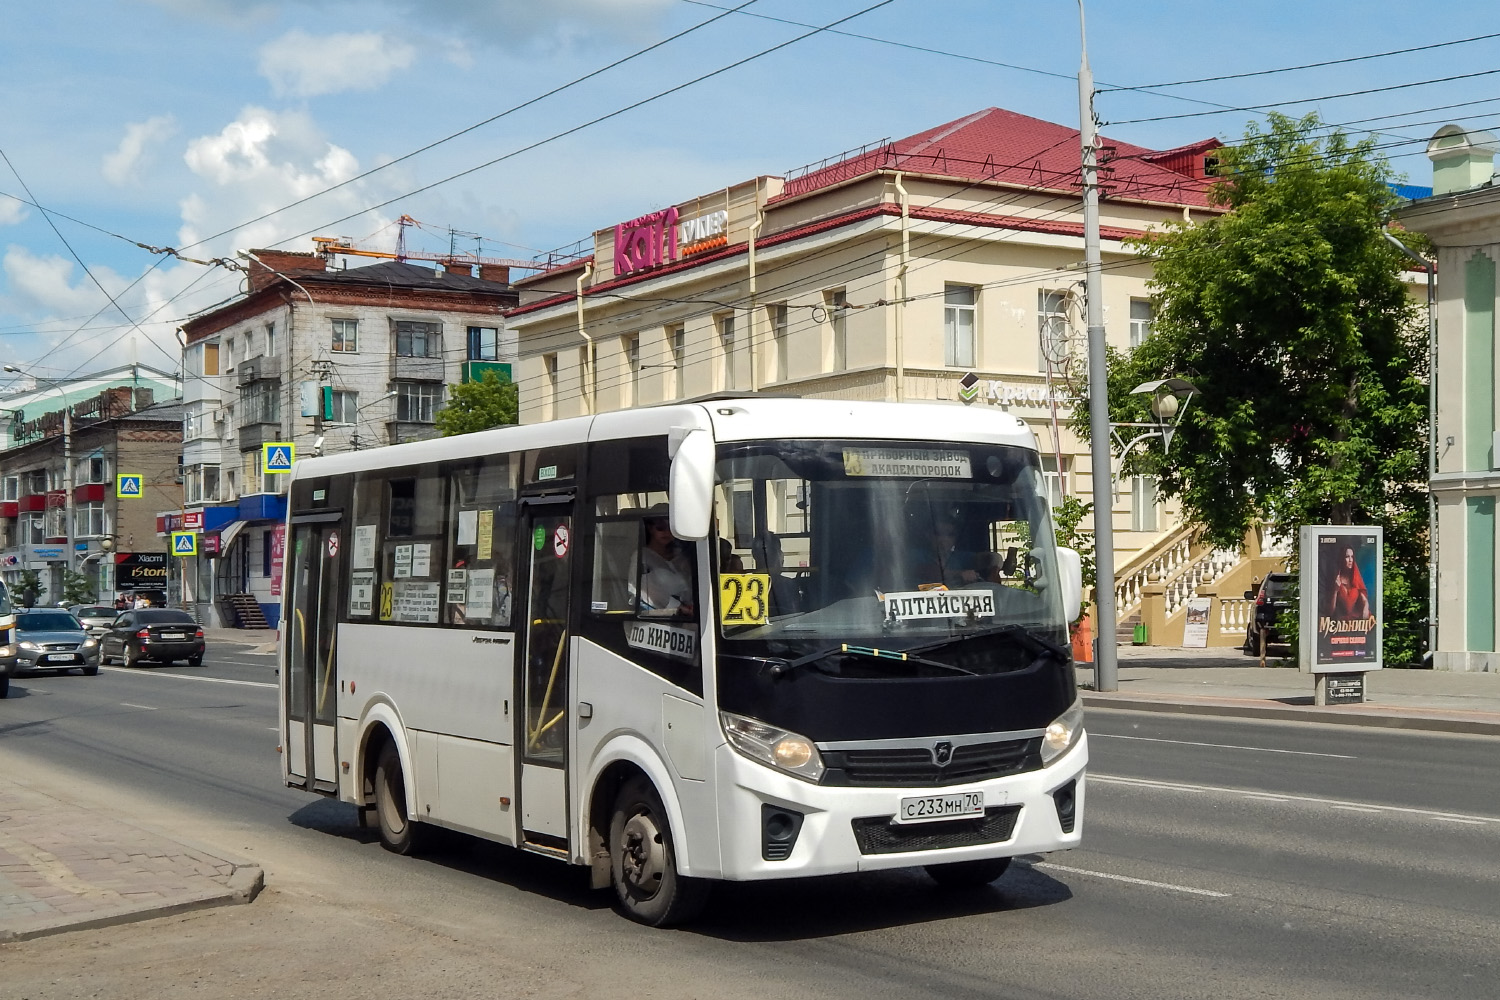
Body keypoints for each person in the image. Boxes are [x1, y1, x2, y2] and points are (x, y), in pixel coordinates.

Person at [639, 514, 695, 615]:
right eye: (661, 528)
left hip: (690, 617)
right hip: (660, 620)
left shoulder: (682, 556)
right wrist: (678, 607)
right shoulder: (641, 557)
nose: (667, 532)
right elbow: (642, 591)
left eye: (671, 528)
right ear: (650, 528)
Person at [1327, 545, 1371, 620]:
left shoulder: (1355, 578)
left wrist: (1365, 607)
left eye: (1352, 557)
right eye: (1347, 557)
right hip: (1339, 624)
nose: (1350, 560)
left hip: (1355, 623)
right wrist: (1335, 590)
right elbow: (1330, 612)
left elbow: (1364, 600)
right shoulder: (1336, 580)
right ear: (1342, 559)